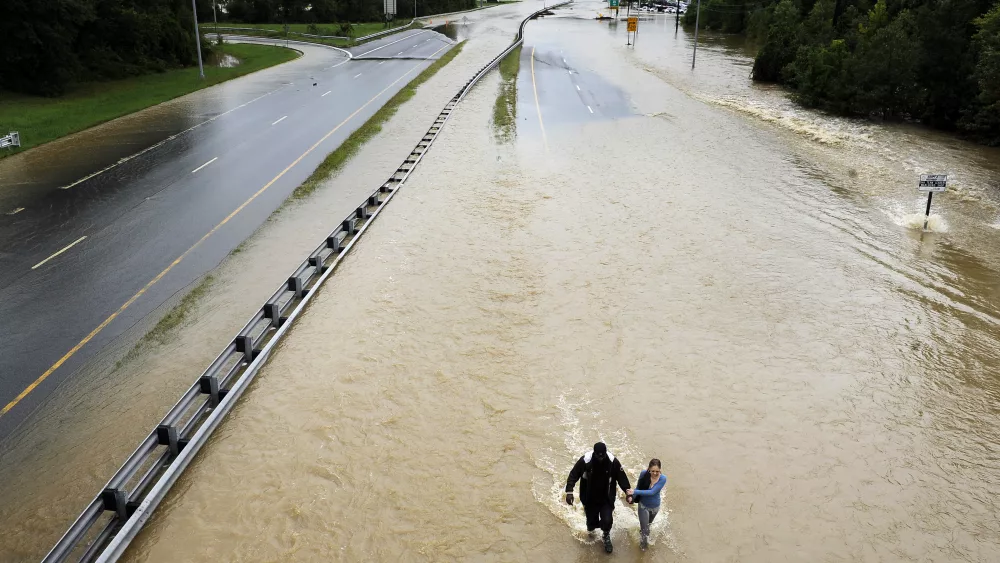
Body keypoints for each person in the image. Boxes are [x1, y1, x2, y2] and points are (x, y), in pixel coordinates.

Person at [565, 442, 632, 553]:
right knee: (591, 524)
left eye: (602, 455)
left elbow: (622, 478)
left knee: (607, 519)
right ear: (594, 453)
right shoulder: (585, 460)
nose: (600, 458)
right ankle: (592, 530)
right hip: (589, 496)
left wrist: (628, 493)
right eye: (598, 456)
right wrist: (569, 492)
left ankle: (606, 536)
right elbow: (573, 474)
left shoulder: (612, 461)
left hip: (606, 497)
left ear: (606, 453)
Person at [627, 458, 666, 551]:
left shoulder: (663, 478)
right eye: (653, 471)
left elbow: (652, 492)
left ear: (660, 469)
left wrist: (635, 491)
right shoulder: (643, 474)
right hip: (643, 505)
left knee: (647, 527)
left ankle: (642, 534)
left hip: (655, 507)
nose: (655, 473)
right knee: (646, 531)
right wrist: (632, 497)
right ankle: (643, 550)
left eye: (657, 471)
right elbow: (638, 487)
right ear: (649, 469)